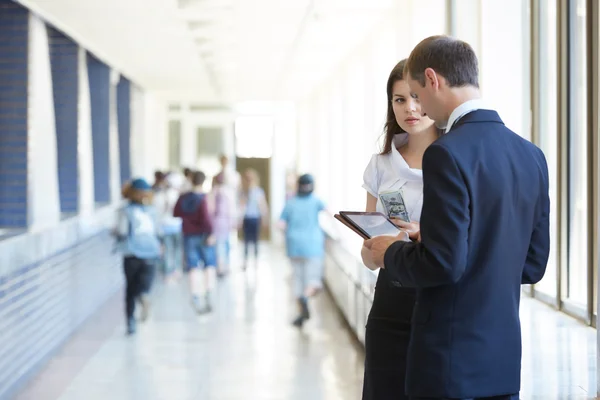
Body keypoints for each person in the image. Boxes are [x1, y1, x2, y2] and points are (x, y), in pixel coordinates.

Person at [364, 35, 550, 400]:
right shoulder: (531, 155)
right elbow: (532, 265)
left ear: (432, 80)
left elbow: (444, 264)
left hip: (447, 362)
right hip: (502, 361)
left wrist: (390, 252)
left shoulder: (446, 154)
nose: (420, 107)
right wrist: (432, 236)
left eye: (418, 93)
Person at [360, 59, 440, 400]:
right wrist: (378, 247)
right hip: (390, 300)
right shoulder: (381, 163)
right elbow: (368, 253)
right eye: (399, 100)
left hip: (439, 300)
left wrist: (423, 232)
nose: (410, 108)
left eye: (416, 97)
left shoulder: (456, 158)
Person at [113, 178, 162, 335]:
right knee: (145, 284)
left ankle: (131, 322)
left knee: (130, 290)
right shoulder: (153, 210)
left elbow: (121, 231)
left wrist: (113, 233)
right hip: (151, 252)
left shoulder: (125, 210)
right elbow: (158, 232)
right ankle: (144, 295)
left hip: (132, 253)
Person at [279, 174, 326, 328]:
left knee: (298, 280)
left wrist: (287, 235)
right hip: (313, 245)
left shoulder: (290, 202)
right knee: (313, 282)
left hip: (294, 245)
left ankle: (300, 315)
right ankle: (306, 298)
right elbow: (331, 215)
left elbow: (280, 224)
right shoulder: (316, 201)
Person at [174, 171, 217, 314]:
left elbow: (176, 213)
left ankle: (195, 297)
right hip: (204, 236)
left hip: (188, 235)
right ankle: (208, 294)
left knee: (193, 267)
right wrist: (211, 233)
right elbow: (206, 218)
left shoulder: (183, 198)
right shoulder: (204, 198)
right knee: (209, 265)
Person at [239, 168, 268, 270]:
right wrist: (239, 220)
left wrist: (264, 219)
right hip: (246, 218)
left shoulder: (259, 191)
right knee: (246, 241)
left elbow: (262, 206)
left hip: (255, 218)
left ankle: (256, 262)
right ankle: (245, 262)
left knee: (255, 241)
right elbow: (241, 207)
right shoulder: (243, 191)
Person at [210, 174, 234, 277]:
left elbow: (210, 209)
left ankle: (220, 267)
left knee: (219, 244)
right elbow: (231, 208)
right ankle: (225, 266)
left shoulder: (213, 192)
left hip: (217, 221)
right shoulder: (228, 192)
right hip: (225, 221)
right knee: (225, 244)